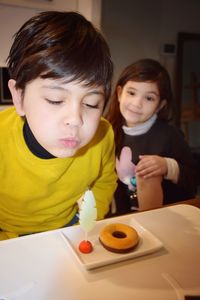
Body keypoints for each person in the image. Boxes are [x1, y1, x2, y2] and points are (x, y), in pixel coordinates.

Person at [0, 11, 117, 240]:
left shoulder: (103, 136)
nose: (75, 119)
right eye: (55, 100)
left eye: (92, 103)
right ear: (19, 97)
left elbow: (105, 181)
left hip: (69, 229)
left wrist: (86, 223)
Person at [106, 58, 196, 215]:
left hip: (167, 219)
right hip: (125, 218)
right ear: (120, 93)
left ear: (160, 105)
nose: (137, 103)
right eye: (131, 93)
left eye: (149, 98)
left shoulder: (169, 135)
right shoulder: (109, 131)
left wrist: (167, 166)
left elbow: (193, 179)